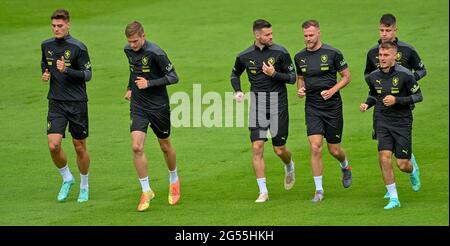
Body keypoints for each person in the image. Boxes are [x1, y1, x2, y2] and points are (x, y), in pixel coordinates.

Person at [230, 19, 297, 203]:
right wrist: (237, 91)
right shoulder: (244, 55)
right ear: (257, 35)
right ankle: (263, 191)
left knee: (279, 149)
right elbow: (235, 74)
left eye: (271, 33)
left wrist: (274, 74)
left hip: (278, 105)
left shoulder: (280, 52)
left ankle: (289, 165)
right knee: (257, 147)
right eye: (267, 34)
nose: (271, 37)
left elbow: (293, 78)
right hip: (258, 105)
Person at [364, 15, 426, 194]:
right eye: (381, 30)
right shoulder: (373, 52)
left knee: (401, 158)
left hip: (403, 108)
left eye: (388, 30)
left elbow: (422, 69)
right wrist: (377, 85)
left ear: (395, 30)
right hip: (382, 108)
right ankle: (390, 188)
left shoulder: (407, 50)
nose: (384, 34)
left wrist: (408, 81)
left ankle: (407, 160)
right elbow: (368, 74)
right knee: (384, 153)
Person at [123, 21, 180, 212]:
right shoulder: (128, 50)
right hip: (138, 104)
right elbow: (133, 71)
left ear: (143, 36)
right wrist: (130, 87)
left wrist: (149, 83)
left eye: (135, 41)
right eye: (130, 41)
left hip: (158, 105)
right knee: (136, 146)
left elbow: (173, 77)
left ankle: (174, 179)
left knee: (165, 145)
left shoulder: (156, 53)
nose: (132, 45)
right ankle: (146, 190)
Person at [294, 20, 352, 202]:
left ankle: (345, 166)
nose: (308, 39)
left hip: (333, 107)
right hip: (312, 107)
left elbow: (346, 77)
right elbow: (301, 78)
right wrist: (300, 89)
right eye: (305, 36)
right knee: (315, 146)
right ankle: (319, 190)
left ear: (318, 33)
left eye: (311, 35)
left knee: (334, 150)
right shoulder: (299, 57)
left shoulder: (333, 53)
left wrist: (332, 90)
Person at [40, 9, 92, 203]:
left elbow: (88, 75)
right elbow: (45, 63)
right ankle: (67, 178)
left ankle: (84, 185)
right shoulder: (46, 45)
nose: (56, 29)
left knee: (79, 147)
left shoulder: (79, 47)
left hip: (77, 103)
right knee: (53, 145)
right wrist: (46, 73)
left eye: (60, 26)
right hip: (56, 102)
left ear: (68, 25)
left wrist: (67, 70)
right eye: (53, 26)